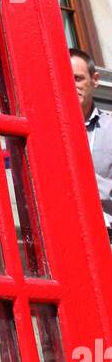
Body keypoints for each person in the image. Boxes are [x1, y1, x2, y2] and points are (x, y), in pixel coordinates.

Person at [70, 48, 112, 242]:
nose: (71, 84)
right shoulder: (47, 128)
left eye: (78, 78)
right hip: (66, 233)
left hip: (107, 234)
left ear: (95, 80)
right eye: (66, 78)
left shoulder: (109, 129)